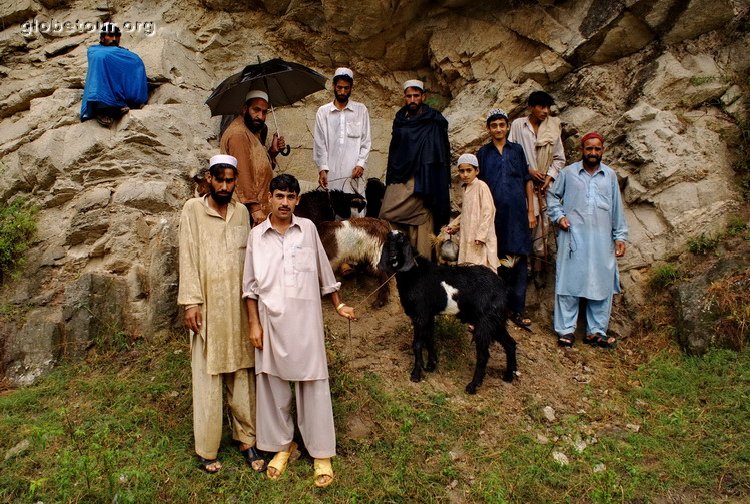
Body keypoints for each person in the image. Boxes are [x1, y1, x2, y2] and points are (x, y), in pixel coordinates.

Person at [243, 174, 356, 488]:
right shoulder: (256, 236)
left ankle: (321, 452)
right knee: (272, 387)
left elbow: (323, 271)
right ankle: (282, 445)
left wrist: (338, 305)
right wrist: (253, 323)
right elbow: (250, 286)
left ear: (297, 200)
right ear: (269, 198)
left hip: (305, 319)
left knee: (312, 384)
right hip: (269, 321)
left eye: (291, 197)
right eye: (279, 196)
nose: (284, 203)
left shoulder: (306, 229)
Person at [177, 154, 265, 474]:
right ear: (209, 180)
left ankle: (247, 439)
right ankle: (207, 447)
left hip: (239, 310)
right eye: (220, 180)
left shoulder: (242, 213)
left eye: (230, 181)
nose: (225, 186)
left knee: (242, 375)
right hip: (207, 308)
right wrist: (190, 302)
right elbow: (187, 254)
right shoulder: (192, 210)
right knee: (207, 376)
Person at [546, 132, 628, 348]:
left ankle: (596, 331)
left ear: (603, 150)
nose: (593, 153)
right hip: (572, 238)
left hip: (602, 241)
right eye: (589, 149)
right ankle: (566, 330)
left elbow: (617, 209)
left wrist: (620, 236)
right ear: (582, 149)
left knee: (601, 282)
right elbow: (552, 197)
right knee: (568, 282)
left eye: (597, 149)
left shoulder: (610, 176)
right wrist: (559, 216)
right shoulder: (568, 173)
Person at [379, 79, 451, 260]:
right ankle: (399, 257)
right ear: (404, 97)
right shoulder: (400, 119)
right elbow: (395, 150)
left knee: (423, 221)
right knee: (386, 213)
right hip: (401, 175)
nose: (412, 99)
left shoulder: (433, 119)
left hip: (424, 177)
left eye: (416, 96)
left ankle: (423, 266)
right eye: (409, 96)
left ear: (423, 97)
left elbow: (439, 151)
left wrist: (430, 173)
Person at [477, 109, 537, 328]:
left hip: (518, 215)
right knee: (495, 258)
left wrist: (531, 211)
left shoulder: (517, 150)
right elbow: (479, 185)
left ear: (508, 126)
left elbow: (527, 181)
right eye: (494, 125)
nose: (499, 129)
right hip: (493, 216)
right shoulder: (483, 153)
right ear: (488, 129)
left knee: (519, 261)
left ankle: (518, 311)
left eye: (502, 125)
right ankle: (496, 309)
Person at [508, 91, 565, 287]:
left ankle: (540, 268)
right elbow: (512, 154)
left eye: (547, 107)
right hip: (524, 182)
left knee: (545, 225)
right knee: (526, 222)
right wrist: (529, 170)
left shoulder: (552, 127)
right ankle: (527, 266)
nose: (545, 111)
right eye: (541, 107)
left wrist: (548, 178)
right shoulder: (517, 126)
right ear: (531, 107)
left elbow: (559, 158)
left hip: (546, 185)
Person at [220, 89, 286, 226]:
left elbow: (257, 168)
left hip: (257, 209)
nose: (260, 116)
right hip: (247, 212)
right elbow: (242, 173)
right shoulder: (238, 134)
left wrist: (273, 152)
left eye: (264, 112)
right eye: (256, 110)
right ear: (245, 109)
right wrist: (255, 208)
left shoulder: (250, 131)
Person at [313, 67, 372, 217]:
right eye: (339, 87)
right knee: (332, 216)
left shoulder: (361, 110)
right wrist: (322, 169)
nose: (342, 91)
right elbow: (320, 144)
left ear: (351, 88)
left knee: (356, 218)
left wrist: (360, 164)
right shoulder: (323, 112)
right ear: (334, 86)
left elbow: (366, 142)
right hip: (331, 175)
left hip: (353, 176)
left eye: (346, 88)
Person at [80, 22, 148, 127]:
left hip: (121, 94)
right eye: (111, 35)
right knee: (100, 57)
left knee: (136, 60)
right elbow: (99, 57)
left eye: (117, 36)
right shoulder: (94, 50)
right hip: (103, 94)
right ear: (102, 38)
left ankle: (131, 100)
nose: (114, 39)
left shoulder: (124, 53)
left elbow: (134, 64)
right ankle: (102, 109)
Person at [444, 153, 500, 270]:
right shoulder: (466, 189)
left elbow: (489, 211)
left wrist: (481, 235)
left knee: (483, 270)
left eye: (469, 170)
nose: (465, 174)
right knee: (469, 270)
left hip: (480, 239)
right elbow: (466, 214)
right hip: (468, 236)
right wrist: (454, 226)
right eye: (462, 171)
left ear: (477, 170)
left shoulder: (481, 186)